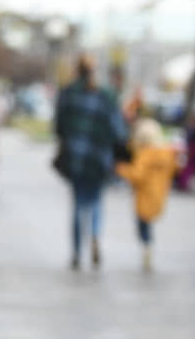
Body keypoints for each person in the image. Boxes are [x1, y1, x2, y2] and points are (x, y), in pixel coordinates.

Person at [54, 54, 128, 270]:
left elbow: (58, 126)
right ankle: (95, 234)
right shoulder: (106, 95)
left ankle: (77, 252)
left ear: (77, 70)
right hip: (99, 157)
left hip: (75, 156)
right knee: (96, 201)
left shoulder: (68, 93)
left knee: (78, 203)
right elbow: (118, 131)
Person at [115, 118, 180, 271]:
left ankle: (146, 246)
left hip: (144, 195)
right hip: (159, 194)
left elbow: (137, 175)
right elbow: (174, 170)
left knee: (142, 224)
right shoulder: (166, 153)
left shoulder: (144, 154)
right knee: (148, 223)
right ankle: (148, 245)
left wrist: (121, 169)